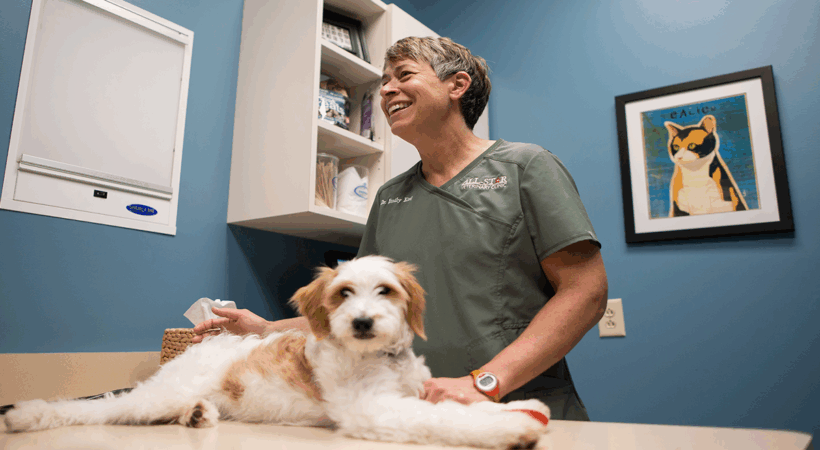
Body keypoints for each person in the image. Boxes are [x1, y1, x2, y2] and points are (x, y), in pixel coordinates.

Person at [194, 37, 607, 420]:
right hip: (414, 411)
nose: (387, 90)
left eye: (404, 75)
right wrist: (265, 330)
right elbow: (358, 312)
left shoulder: (525, 168)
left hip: (517, 408)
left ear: (457, 85)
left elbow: (585, 291)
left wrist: (486, 382)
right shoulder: (391, 196)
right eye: (383, 82)